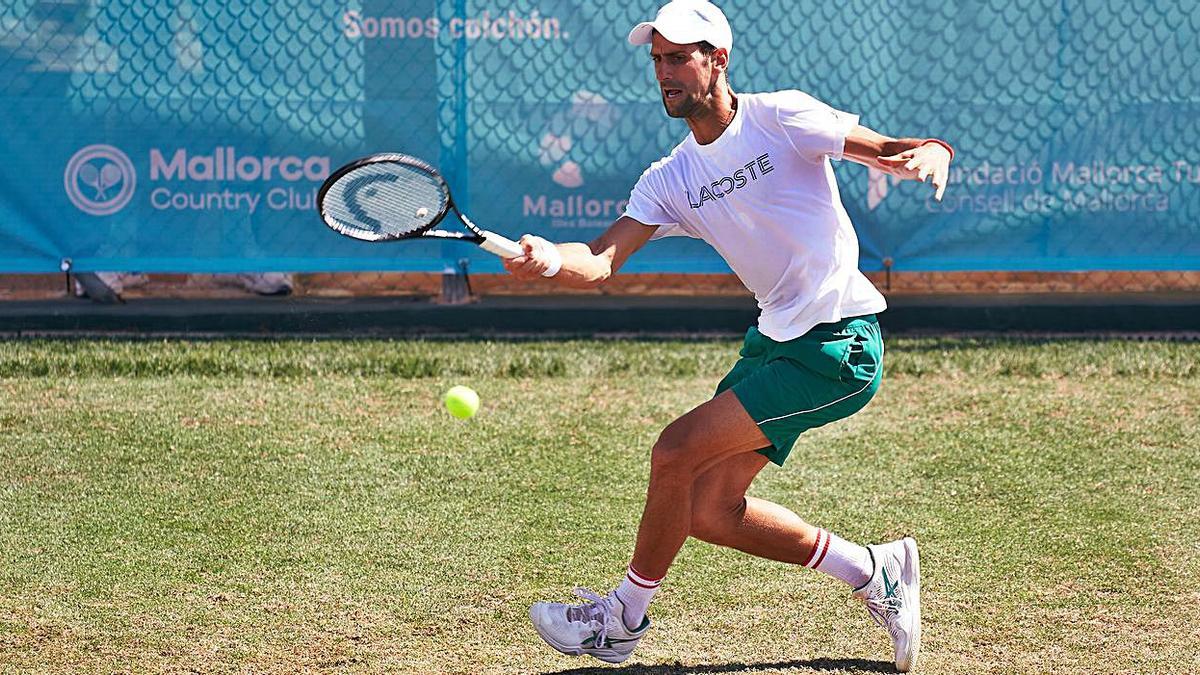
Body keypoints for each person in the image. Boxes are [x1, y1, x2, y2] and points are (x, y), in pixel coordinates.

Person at [505, 1, 953, 670]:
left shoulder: (780, 117)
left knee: (675, 449)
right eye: (656, 58)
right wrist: (546, 257)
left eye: (678, 56)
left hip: (839, 345)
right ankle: (875, 572)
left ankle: (621, 619)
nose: (664, 71)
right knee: (709, 507)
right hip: (776, 341)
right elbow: (599, 258)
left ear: (717, 59)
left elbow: (888, 149)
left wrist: (930, 153)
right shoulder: (670, 178)